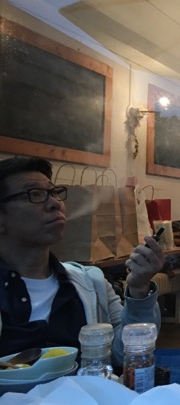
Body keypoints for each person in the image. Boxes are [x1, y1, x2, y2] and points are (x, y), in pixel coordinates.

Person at [0, 156, 164, 366]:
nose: (54, 203)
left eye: (54, 192)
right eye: (34, 194)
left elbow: (123, 354)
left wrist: (139, 289)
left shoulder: (91, 283)